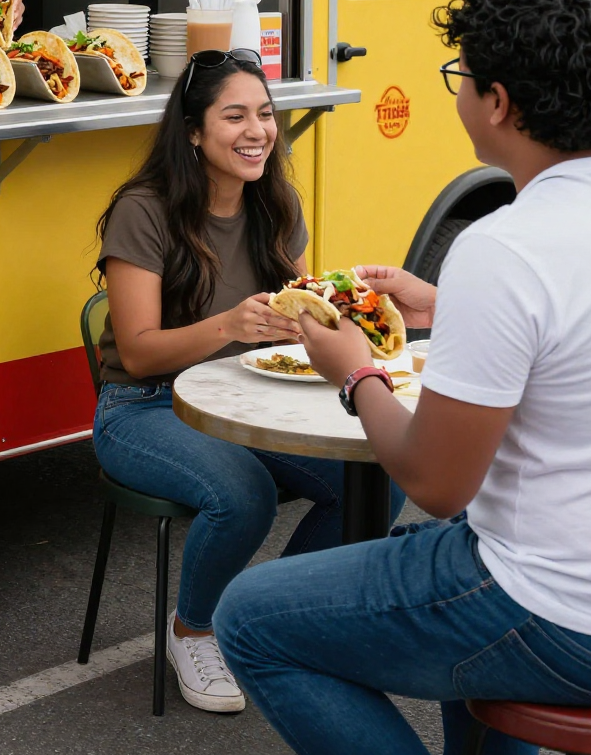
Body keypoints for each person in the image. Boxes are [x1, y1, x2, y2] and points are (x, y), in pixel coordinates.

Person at [217, 0, 591, 755]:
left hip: (563, 610)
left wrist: (355, 372)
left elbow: (434, 482)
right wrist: (446, 305)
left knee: (250, 618)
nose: (456, 95)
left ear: (497, 102)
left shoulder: (505, 248)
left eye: (458, 77)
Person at [91, 50, 386, 715]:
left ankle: (276, 618)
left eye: (264, 114)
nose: (257, 130)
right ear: (193, 131)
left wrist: (337, 319)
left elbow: (308, 314)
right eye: (235, 116)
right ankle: (193, 628)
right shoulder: (144, 210)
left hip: (248, 399)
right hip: (143, 408)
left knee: (381, 474)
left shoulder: (276, 203)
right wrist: (231, 325)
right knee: (242, 491)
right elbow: (137, 355)